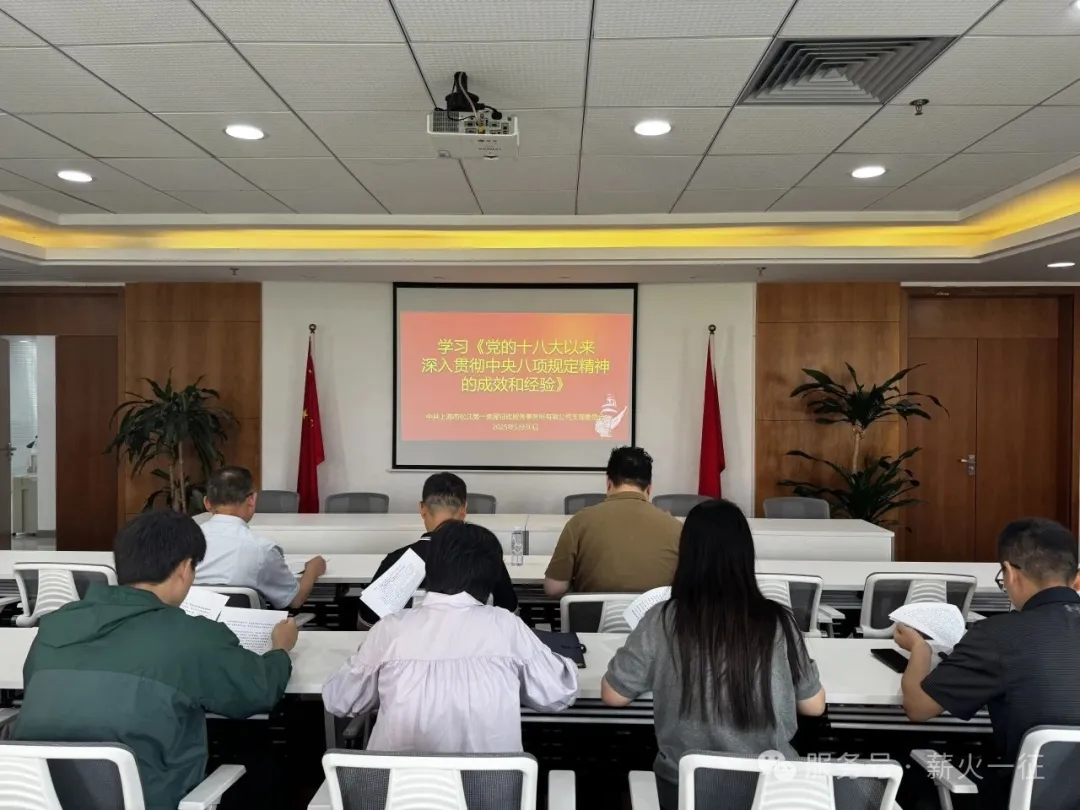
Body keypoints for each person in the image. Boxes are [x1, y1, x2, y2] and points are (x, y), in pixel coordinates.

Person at [11, 511, 296, 810]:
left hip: (36, 800)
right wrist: (280, 650)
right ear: (184, 568)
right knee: (264, 769)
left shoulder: (54, 625)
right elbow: (258, 691)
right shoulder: (190, 635)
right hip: (151, 800)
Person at [600, 499, 825, 810]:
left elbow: (613, 695)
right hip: (770, 793)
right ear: (745, 555)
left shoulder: (661, 619)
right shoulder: (777, 621)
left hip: (683, 793)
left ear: (687, 555)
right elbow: (814, 706)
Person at [324, 520, 579, 752]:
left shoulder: (390, 630)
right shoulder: (506, 626)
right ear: (492, 578)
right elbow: (559, 693)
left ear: (428, 568)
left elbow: (339, 700)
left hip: (398, 787)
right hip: (489, 787)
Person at [896, 517, 1080, 809]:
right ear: (1076, 579)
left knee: (914, 779)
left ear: (1010, 573)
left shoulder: (999, 635)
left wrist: (920, 648)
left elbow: (918, 707)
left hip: (1023, 797)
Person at [358, 471, 517, 626]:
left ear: (422, 509)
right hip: (478, 641)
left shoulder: (397, 561)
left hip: (412, 643)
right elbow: (510, 613)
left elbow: (367, 622)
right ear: (464, 509)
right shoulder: (487, 556)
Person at [544, 446, 682, 596]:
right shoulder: (676, 528)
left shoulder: (580, 521)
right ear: (649, 489)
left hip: (594, 612)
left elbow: (554, 588)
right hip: (653, 612)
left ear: (609, 483)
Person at [196, 466, 326, 609]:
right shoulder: (263, 549)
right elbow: (295, 600)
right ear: (252, 500)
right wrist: (312, 570)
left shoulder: (183, 543)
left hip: (191, 622)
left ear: (207, 503)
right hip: (245, 623)